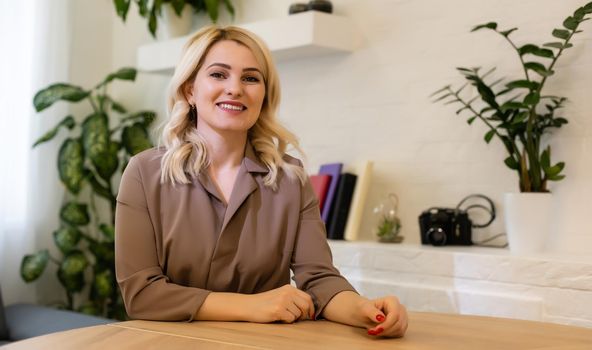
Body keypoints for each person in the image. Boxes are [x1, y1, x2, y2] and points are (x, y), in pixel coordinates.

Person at [115, 25, 408, 338]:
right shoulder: (144, 172)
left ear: (264, 94)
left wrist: (365, 310)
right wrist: (252, 306)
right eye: (218, 74)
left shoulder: (291, 179)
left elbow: (320, 280)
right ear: (189, 90)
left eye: (251, 78)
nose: (235, 88)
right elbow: (141, 294)